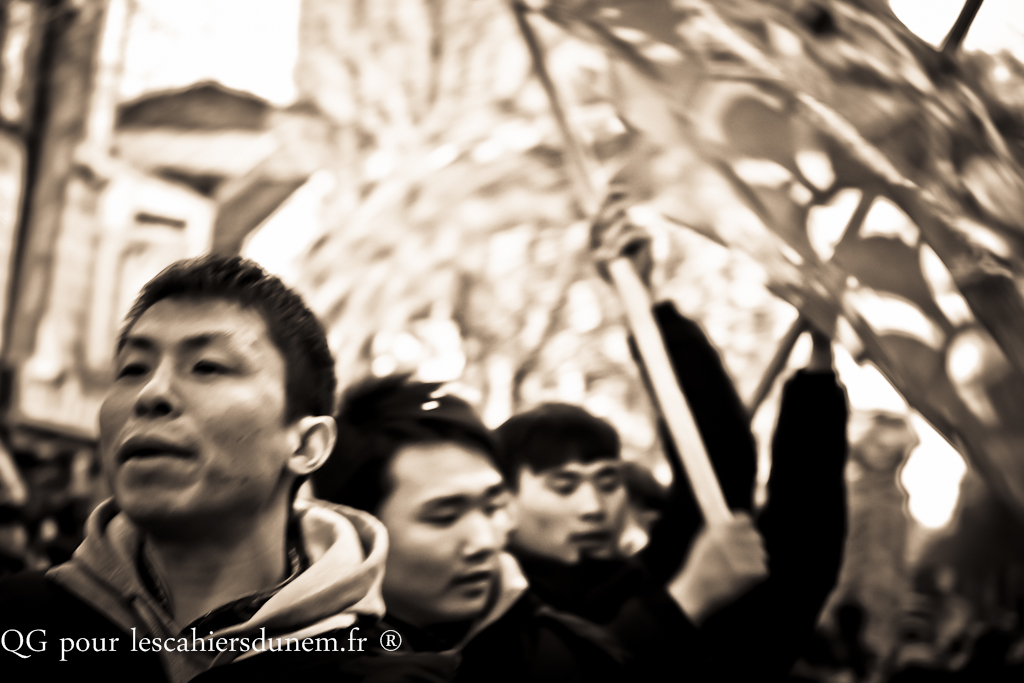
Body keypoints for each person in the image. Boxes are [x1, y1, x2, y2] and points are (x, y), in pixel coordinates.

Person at [496, 196, 851, 682]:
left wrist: (818, 372)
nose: (594, 507)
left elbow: (730, 475)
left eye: (607, 481)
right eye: (564, 485)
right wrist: (687, 599)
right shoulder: (480, 613)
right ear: (501, 503)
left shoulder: (646, 577)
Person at [0, 256, 400, 682]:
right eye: (133, 369)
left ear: (306, 444)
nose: (151, 393)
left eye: (207, 366)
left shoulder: (382, 669)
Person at [311, 374, 628, 683]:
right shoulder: (304, 661)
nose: (485, 542)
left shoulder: (573, 657)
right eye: (445, 516)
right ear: (359, 527)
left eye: (493, 507)